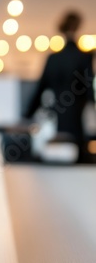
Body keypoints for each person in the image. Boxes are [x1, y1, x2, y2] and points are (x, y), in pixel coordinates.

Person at [26, 11, 95, 163]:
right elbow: (90, 91)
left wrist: (26, 115)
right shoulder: (84, 58)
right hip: (77, 122)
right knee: (77, 161)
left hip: (55, 122)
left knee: (55, 161)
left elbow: (39, 90)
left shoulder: (53, 59)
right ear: (77, 28)